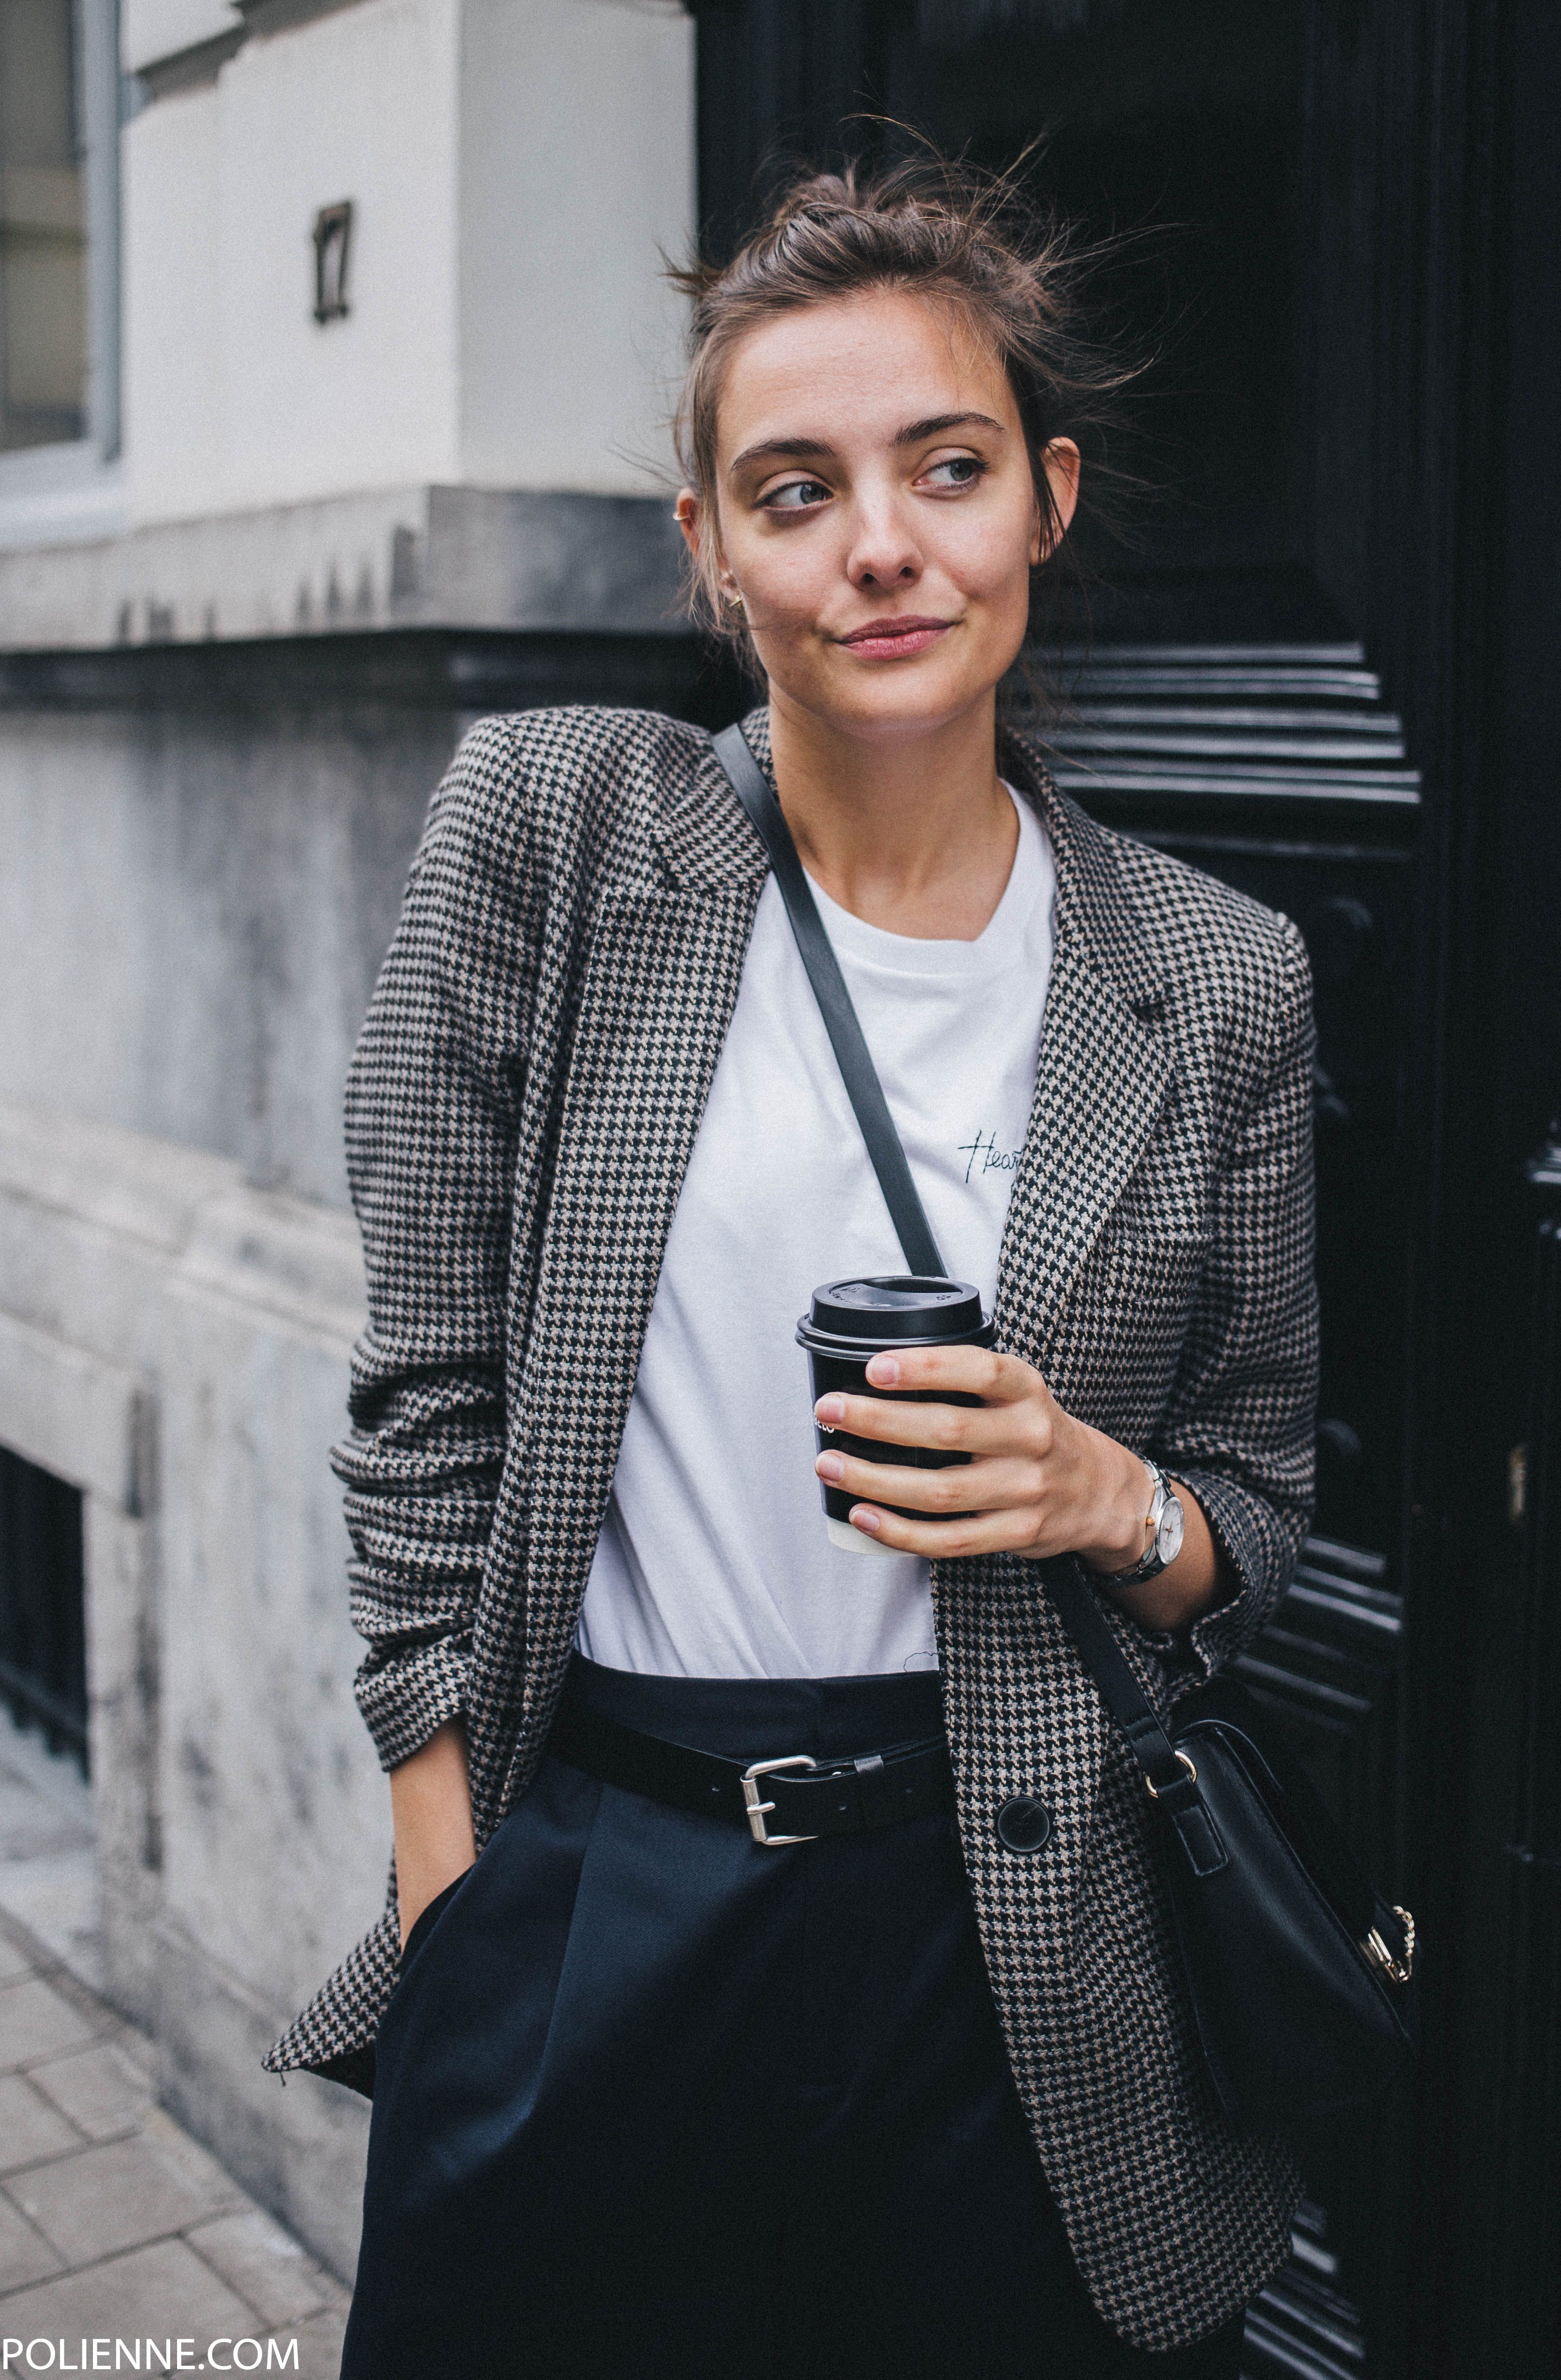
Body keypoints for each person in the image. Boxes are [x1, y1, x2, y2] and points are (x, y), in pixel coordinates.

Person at [266, 153, 1318, 2380]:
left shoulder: (1214, 976)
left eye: (942, 468)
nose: (878, 545)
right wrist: (459, 1881)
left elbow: (1256, 1504)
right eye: (793, 486)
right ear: (710, 552)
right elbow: (425, 1388)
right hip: (606, 1890)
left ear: (1041, 494)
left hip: (1010, 1927)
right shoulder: (559, 832)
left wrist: (1101, 1497)